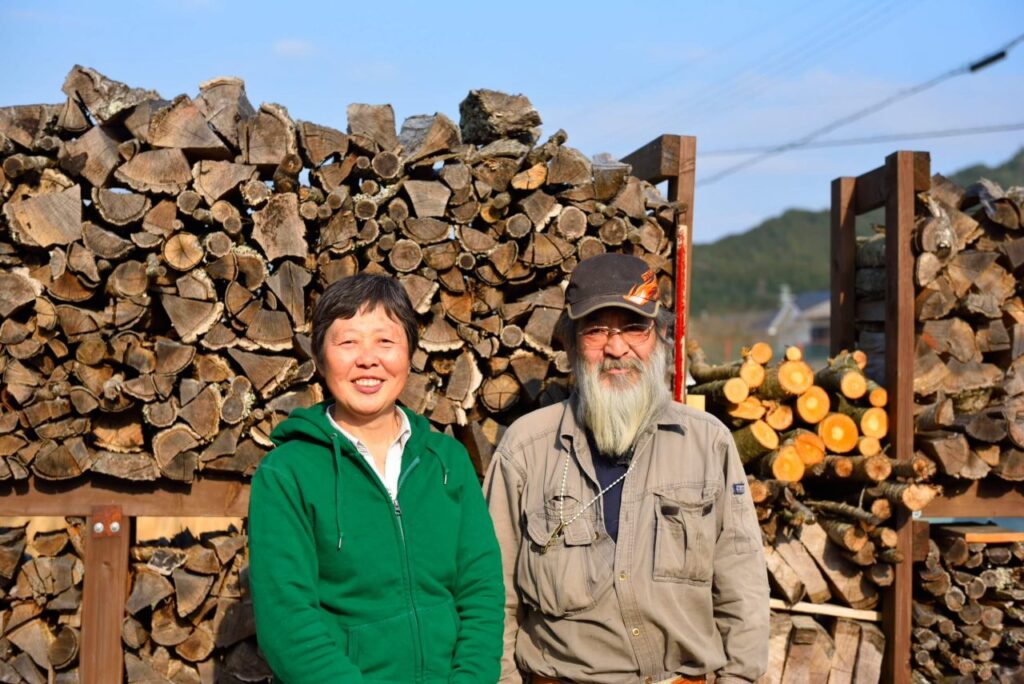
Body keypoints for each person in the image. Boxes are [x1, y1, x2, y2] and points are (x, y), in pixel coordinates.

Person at [484, 253, 769, 684]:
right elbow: (493, 596)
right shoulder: (526, 449)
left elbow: (742, 586)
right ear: (572, 344)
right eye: (596, 330)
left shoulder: (708, 443)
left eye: (635, 327)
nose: (616, 349)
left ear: (660, 337)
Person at [248, 273, 504, 683]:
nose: (368, 359)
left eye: (385, 341)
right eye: (348, 342)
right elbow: (288, 624)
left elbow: (481, 591)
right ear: (320, 358)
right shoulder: (287, 474)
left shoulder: (447, 462)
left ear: (409, 354)